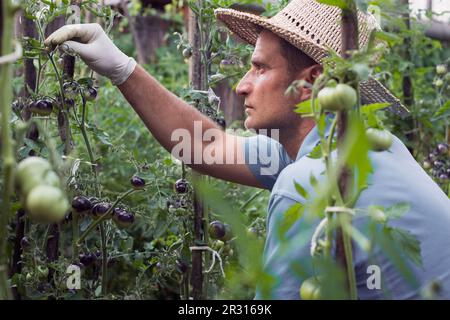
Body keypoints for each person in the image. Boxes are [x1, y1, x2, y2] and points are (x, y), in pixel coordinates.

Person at [45, 0, 450, 299]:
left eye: (259, 68)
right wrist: (121, 67)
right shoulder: (367, 148)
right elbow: (207, 146)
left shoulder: (308, 183)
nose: (241, 85)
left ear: (309, 83)